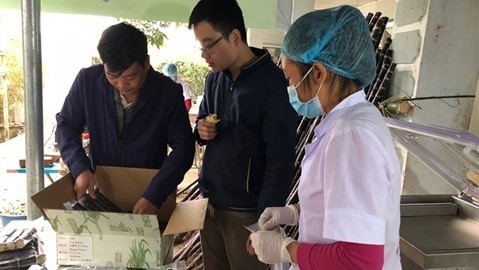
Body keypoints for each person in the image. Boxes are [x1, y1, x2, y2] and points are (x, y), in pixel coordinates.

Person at [248, 5, 402, 270]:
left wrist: (286, 250)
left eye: (289, 78)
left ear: (318, 73)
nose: (288, 88)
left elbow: (360, 260)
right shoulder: (355, 119)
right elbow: (347, 206)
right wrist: (297, 213)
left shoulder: (350, 136)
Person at [188, 0, 298, 269]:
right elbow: (202, 120)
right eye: (200, 46)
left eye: (209, 44)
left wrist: (263, 222)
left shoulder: (272, 84)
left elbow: (280, 160)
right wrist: (201, 129)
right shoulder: (214, 79)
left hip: (245, 212)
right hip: (210, 202)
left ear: (235, 37)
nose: (204, 54)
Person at [55, 22, 195, 216]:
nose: (121, 85)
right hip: (101, 196)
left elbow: (184, 148)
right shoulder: (87, 82)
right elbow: (66, 126)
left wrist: (155, 195)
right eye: (112, 76)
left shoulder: (167, 93)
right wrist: (79, 167)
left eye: (130, 76)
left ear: (146, 63)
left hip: (150, 198)